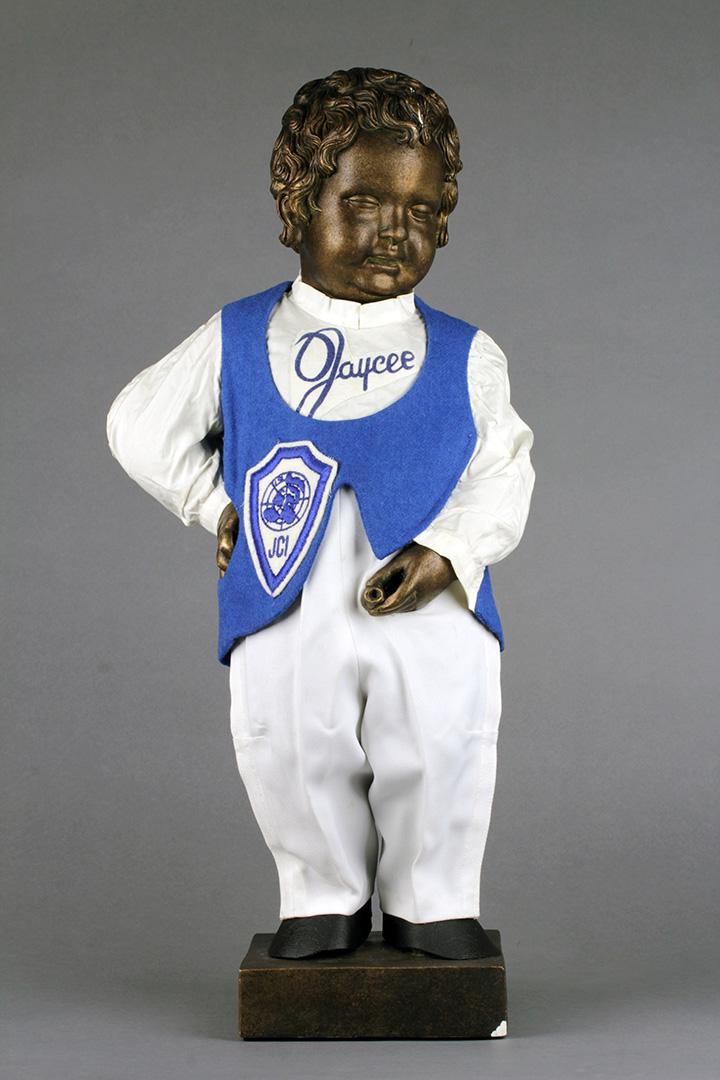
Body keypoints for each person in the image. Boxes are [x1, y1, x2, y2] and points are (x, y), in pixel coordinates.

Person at [107, 67, 535, 961]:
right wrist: (215, 502)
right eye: (364, 202)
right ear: (300, 204)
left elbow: (504, 469)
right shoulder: (238, 336)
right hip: (285, 596)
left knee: (443, 738)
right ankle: (320, 894)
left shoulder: (467, 354)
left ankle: (434, 899)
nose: (393, 231)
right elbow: (140, 423)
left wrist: (448, 549)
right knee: (290, 739)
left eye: (420, 211)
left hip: (427, 604)